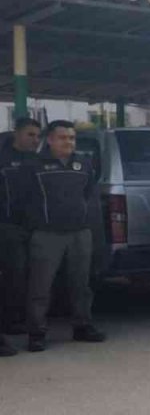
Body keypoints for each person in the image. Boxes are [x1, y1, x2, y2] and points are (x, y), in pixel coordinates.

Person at [14, 120, 106, 351]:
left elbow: (89, 194)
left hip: (79, 233)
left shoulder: (83, 163)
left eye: (72, 138)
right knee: (40, 287)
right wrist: (33, 225)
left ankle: (82, 326)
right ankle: (36, 333)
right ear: (50, 140)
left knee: (81, 284)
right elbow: (21, 198)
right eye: (63, 138)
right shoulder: (33, 165)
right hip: (46, 235)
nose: (69, 142)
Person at [0, 117, 41, 355]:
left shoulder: (37, 160)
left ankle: (12, 321)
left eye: (37, 136)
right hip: (7, 225)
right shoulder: (3, 158)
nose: (35, 140)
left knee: (22, 277)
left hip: (33, 227)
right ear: (16, 133)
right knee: (13, 275)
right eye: (30, 134)